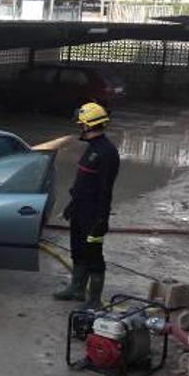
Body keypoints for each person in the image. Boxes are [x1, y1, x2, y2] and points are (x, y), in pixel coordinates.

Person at [53, 102, 120, 310]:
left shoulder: (107, 152)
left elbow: (104, 190)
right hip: (80, 210)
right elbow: (84, 182)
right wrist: (72, 205)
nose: (79, 127)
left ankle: (94, 300)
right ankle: (77, 289)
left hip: (93, 214)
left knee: (93, 255)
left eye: (81, 124)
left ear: (88, 126)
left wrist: (101, 220)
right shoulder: (91, 148)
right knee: (78, 250)